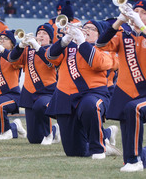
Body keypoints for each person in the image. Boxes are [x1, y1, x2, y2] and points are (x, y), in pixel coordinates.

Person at [96, 0, 146, 172]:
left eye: (143, 12)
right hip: (126, 95)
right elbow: (100, 44)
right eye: (136, 10)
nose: (138, 14)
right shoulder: (123, 35)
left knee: (134, 108)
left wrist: (142, 28)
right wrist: (120, 20)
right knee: (126, 157)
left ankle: (136, 161)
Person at [45, 20, 118, 159]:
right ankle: (106, 135)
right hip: (65, 97)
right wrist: (65, 40)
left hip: (93, 94)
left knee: (90, 106)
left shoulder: (106, 50)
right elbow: (49, 57)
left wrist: (82, 42)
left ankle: (99, 147)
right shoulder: (68, 48)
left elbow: (97, 63)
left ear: (100, 35)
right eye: (85, 28)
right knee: (75, 152)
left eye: (92, 29)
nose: (87, 30)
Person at [8, 23, 60, 145]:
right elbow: (12, 59)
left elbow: (50, 63)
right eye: (39, 34)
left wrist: (36, 46)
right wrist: (20, 45)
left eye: (44, 34)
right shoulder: (28, 50)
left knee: (41, 106)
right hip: (29, 92)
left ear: (50, 38)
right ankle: (55, 129)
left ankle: (49, 134)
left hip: (47, 90)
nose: (41, 36)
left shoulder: (53, 49)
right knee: (34, 139)